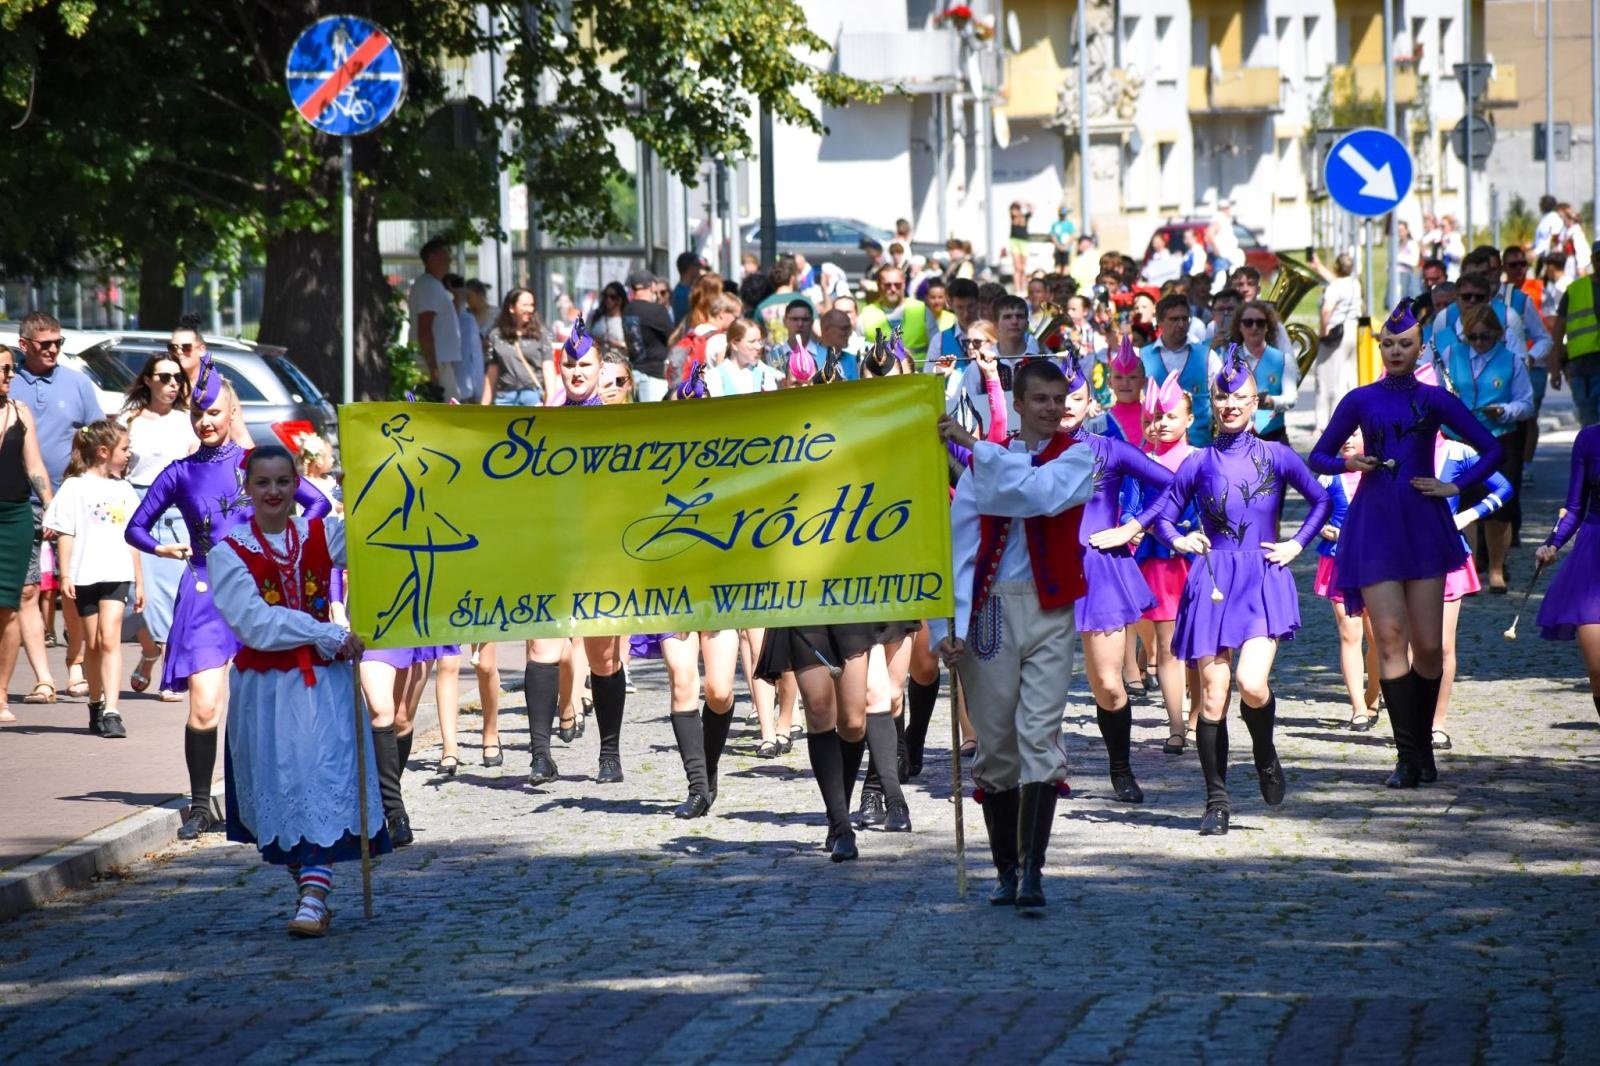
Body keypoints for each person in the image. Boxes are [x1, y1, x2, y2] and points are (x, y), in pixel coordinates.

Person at [1100, 350, 1331, 835]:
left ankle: (1265, 753)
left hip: (1263, 577)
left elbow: (1321, 498)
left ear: (1255, 402)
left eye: (1240, 397)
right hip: (1212, 581)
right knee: (1211, 696)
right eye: (1223, 396)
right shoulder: (1199, 461)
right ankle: (1216, 801)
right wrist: (1180, 538)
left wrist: (1296, 543)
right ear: (1213, 400)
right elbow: (1162, 512)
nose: (1230, 405)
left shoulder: (1277, 455)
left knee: (1251, 683)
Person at [127, 359, 332, 840]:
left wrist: (285, 543)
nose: (206, 421)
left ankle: (252, 802)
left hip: (261, 592)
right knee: (204, 707)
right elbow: (135, 527)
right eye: (197, 412)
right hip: (204, 593)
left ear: (231, 410)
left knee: (258, 702)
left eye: (215, 411)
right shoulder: (179, 473)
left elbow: (317, 504)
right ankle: (201, 805)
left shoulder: (255, 465)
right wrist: (163, 547)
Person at [1308, 301, 1503, 791]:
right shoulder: (1359, 399)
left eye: (1405, 344)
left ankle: (1421, 747)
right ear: (1379, 347)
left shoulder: (1435, 399)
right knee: (1389, 641)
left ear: (1420, 348)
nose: (1396, 351)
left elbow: (1492, 446)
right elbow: (1319, 454)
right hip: (1373, 526)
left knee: (1430, 646)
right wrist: (1350, 466)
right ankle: (1409, 755)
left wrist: (1457, 487)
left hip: (1423, 524)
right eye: (1389, 344)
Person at [210, 444, 389, 938]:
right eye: (263, 483)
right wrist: (323, 632)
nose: (273, 492)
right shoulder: (229, 554)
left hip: (324, 687)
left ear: (297, 485)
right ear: (247, 487)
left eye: (283, 482)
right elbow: (255, 623)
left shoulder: (316, 532)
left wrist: (366, 490)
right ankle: (310, 889)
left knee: (319, 778)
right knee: (284, 788)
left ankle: (313, 897)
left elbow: (370, 543)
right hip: (268, 691)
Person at [935, 359, 1096, 906]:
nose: (1054, 409)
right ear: (1020, 403)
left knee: (1039, 736)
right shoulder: (991, 461)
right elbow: (961, 549)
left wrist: (974, 448)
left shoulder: (1077, 455)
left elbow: (1036, 494)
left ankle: (1032, 871)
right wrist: (946, 626)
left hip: (1049, 610)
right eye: (1043, 400)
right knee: (997, 746)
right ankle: (1006, 870)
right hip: (990, 611)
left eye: (1061, 398)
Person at [1039, 357, 1174, 803]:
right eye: (1055, 399)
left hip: (1101, 570)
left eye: (1073, 398)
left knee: (1110, 685)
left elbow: (1174, 484)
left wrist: (1133, 526)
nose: (1063, 407)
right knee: (1045, 684)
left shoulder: (1110, 449)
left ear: (1090, 401)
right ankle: (1048, 769)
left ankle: (1121, 768)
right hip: (1042, 570)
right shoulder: (1027, 450)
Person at [13, 312, 100, 709]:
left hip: (71, 501)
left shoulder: (77, 383)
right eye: (45, 344)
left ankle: (76, 662)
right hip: (17, 502)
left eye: (58, 343)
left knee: (74, 587)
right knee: (28, 590)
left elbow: (99, 439)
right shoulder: (8, 380)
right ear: (24, 344)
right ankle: (44, 679)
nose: (53, 350)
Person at [44, 419, 143, 738]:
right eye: (124, 449)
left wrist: (139, 581)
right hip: (86, 575)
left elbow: (133, 537)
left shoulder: (124, 489)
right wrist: (66, 573)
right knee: (95, 643)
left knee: (111, 637)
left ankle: (113, 711)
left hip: (117, 572)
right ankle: (96, 704)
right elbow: (66, 532)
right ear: (104, 452)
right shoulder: (75, 487)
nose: (129, 455)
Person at [1127, 372, 1200, 752]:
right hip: (1158, 564)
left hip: (1198, 561)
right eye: (1154, 417)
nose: (1160, 424)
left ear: (1189, 419)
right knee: (1169, 645)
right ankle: (1175, 725)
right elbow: (1131, 507)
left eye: (1169, 416)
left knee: (1200, 647)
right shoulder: (1141, 460)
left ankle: (1199, 717)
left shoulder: (1201, 459)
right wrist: (1133, 527)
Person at [1440, 304, 1534, 591]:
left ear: (1498, 334)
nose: (1479, 343)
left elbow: (1526, 403)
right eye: (1473, 337)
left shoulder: (1511, 360)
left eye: (1485, 337)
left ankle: (1496, 569)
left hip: (1498, 436)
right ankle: (1468, 567)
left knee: (1499, 507)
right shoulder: (1451, 354)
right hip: (1458, 437)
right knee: (1462, 501)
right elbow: (1438, 393)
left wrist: (1504, 410)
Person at [121, 352, 195, 701]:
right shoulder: (130, 420)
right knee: (139, 601)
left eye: (177, 378)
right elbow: (117, 466)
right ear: (148, 380)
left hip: (179, 512)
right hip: (140, 511)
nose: (172, 384)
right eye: (164, 377)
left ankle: (169, 672)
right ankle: (151, 654)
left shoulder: (186, 420)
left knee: (175, 597)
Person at [1313, 428, 1382, 729]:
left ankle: (1374, 693)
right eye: (1344, 434)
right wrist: (1322, 529)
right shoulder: (1328, 478)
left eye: (1355, 434)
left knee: (1378, 638)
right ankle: (1357, 707)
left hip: (1378, 564)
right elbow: (1315, 514)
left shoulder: (1382, 474)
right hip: (1338, 562)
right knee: (1349, 635)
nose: (1347, 439)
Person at [0, 345, 52, 724]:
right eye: (3, 370)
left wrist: (50, 506)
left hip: (15, 515)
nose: (9, 376)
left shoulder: (20, 412)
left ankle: (0, 694)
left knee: (14, 602)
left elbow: (34, 464)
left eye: (11, 369)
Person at [1534, 423, 1600, 715]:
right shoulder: (1589, 438)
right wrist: (1552, 544)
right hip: (1593, 554)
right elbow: (1574, 507)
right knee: (1598, 667)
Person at [1219, 301, 1298, 444]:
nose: (1254, 327)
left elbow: (1291, 398)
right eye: (1248, 323)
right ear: (1240, 327)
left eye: (1260, 323)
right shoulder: (1227, 357)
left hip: (1273, 438)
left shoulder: (1284, 360)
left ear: (1267, 327)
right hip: (1235, 438)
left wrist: (1270, 401)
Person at [1140, 295, 1213, 447]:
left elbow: (1221, 394)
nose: (1181, 324)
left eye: (1185, 319)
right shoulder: (1142, 356)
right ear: (1159, 322)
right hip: (1157, 448)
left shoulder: (1207, 356)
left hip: (1198, 446)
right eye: (1174, 319)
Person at [1549, 246, 1600, 427]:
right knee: (1590, 425)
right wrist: (1555, 368)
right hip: (1582, 370)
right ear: (1592, 259)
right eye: (1598, 257)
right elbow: (1558, 331)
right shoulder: (1575, 290)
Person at [408, 238, 463, 400]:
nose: (449, 260)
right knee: (448, 411)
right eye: (445, 254)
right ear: (432, 257)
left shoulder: (434, 285)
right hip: (432, 362)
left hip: (438, 361)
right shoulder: (428, 286)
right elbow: (425, 328)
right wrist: (433, 368)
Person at [1313, 253, 1361, 426]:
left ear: (1336, 267)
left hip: (1335, 333)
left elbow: (1327, 310)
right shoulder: (1354, 283)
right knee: (1348, 378)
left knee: (1326, 379)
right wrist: (1318, 267)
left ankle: (1323, 424)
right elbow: (1336, 280)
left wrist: (1323, 331)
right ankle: (1350, 419)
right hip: (1351, 331)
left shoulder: (1334, 287)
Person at [482, 288, 549, 406]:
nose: (530, 309)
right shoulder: (497, 335)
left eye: (532, 305)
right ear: (511, 307)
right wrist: (484, 406)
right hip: (505, 397)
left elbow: (548, 368)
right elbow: (492, 372)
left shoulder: (541, 334)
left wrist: (551, 402)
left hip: (532, 395)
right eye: (525, 305)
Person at [621, 268, 675, 401]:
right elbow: (673, 338)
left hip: (634, 373)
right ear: (652, 286)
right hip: (654, 376)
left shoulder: (627, 309)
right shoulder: (657, 311)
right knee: (655, 419)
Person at [858, 267, 931, 363]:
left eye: (897, 285)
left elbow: (936, 346)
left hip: (917, 374)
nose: (893, 289)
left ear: (904, 284)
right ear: (879, 286)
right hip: (882, 375)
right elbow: (859, 351)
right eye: (887, 285)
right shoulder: (866, 313)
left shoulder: (922, 309)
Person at [716, 319, 783, 395]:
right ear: (734, 344)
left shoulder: (768, 374)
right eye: (752, 342)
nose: (758, 347)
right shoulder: (715, 376)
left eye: (760, 341)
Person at [670, 251, 705, 324]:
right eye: (697, 265)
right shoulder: (682, 294)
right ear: (690, 268)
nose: (699, 269)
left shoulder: (686, 290)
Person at [1007, 202, 1032, 293]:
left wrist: (1024, 202)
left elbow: (1032, 207)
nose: (1015, 211)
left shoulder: (1025, 217)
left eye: (1017, 209)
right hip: (1015, 242)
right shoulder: (1013, 218)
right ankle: (1017, 289)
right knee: (1017, 267)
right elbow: (1010, 210)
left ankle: (1023, 288)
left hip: (1024, 242)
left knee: (1023, 268)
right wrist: (1017, 202)